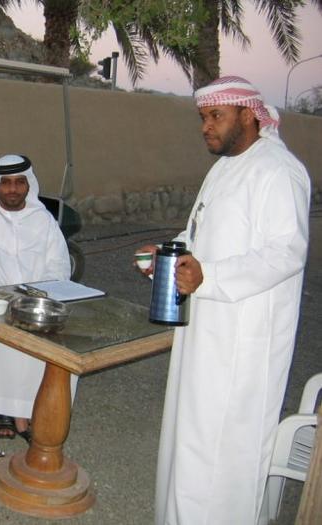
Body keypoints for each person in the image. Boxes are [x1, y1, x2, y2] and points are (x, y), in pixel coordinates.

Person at [139, 77, 310, 524]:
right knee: (191, 440)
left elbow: (286, 252)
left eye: (216, 115)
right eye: (203, 117)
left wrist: (209, 276)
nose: (206, 126)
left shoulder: (278, 170)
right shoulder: (224, 168)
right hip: (205, 329)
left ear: (249, 115)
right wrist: (168, 254)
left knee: (222, 452)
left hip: (242, 341)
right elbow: (199, 234)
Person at [0, 154, 78, 441]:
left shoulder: (42, 218)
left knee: (58, 334)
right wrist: (7, 295)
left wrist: (40, 294)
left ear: (28, 185)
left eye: (19, 182)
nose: (13, 189)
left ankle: (36, 405)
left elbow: (58, 264)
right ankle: (4, 410)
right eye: (6, 183)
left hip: (36, 295)